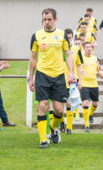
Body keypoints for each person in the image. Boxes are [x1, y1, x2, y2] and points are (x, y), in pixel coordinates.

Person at [28, 8, 74, 149]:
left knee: (59, 110)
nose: (46, 22)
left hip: (59, 75)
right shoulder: (36, 35)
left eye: (49, 19)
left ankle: (54, 128)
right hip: (42, 74)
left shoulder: (62, 35)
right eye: (44, 19)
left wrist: (71, 72)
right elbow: (33, 57)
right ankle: (43, 139)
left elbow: (68, 54)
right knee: (42, 105)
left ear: (55, 19)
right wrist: (31, 78)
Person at [80, 42, 103, 133]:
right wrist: (81, 71)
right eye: (87, 47)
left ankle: (90, 115)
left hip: (94, 84)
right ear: (84, 48)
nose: (89, 49)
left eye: (90, 47)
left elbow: (98, 69)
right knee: (85, 103)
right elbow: (78, 68)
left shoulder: (95, 58)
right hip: (84, 84)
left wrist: (101, 73)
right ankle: (87, 125)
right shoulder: (81, 58)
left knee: (95, 104)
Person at [63, 28, 83, 134]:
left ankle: (69, 127)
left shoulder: (76, 49)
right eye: (67, 37)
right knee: (58, 104)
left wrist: (80, 80)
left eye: (70, 37)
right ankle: (61, 122)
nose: (68, 39)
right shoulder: (59, 48)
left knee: (69, 103)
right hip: (59, 79)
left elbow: (79, 65)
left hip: (71, 81)